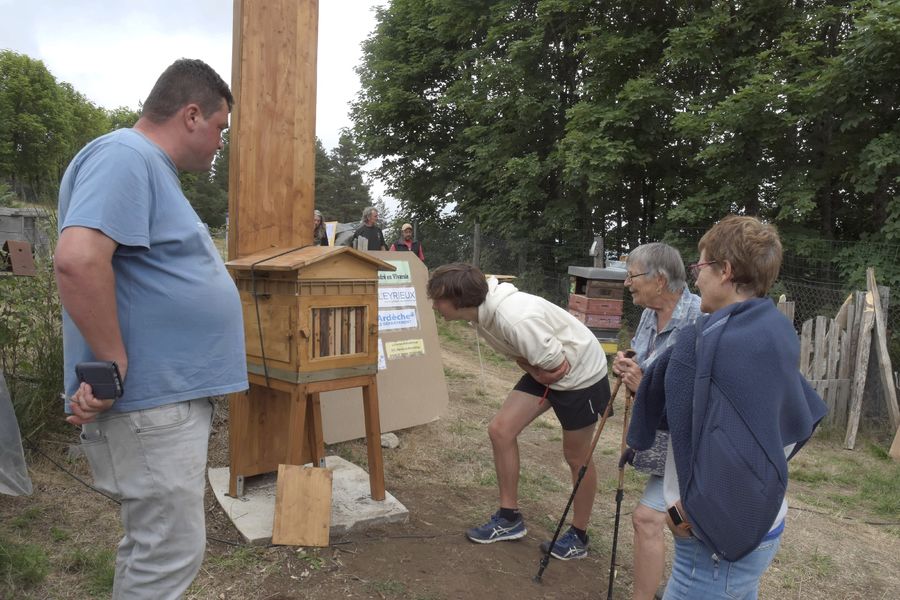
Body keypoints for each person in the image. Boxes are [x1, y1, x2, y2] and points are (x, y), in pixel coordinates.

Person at [54, 59, 249, 600]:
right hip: (150, 402)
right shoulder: (125, 155)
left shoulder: (145, 166)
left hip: (162, 402)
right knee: (167, 552)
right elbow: (78, 259)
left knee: (154, 547)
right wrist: (112, 360)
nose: (218, 143)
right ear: (191, 114)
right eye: (219, 128)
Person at [627, 216, 827, 599]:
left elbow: (681, 426)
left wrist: (689, 512)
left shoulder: (699, 345)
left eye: (700, 267)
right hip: (763, 518)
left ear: (726, 271)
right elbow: (794, 418)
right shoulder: (775, 330)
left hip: (712, 539)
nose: (696, 278)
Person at [427, 263, 610, 560]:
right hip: (544, 367)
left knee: (576, 457)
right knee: (501, 430)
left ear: (460, 300)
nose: (435, 306)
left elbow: (555, 365)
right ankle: (509, 519)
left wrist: (533, 370)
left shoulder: (514, 319)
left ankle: (579, 535)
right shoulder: (482, 314)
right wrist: (531, 368)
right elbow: (530, 360)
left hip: (581, 376)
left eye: (438, 300)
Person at [612, 243, 700, 600]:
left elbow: (693, 391)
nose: (626, 284)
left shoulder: (698, 319)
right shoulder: (651, 310)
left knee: (654, 520)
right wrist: (628, 364)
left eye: (632, 276)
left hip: (690, 444)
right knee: (648, 519)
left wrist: (643, 381)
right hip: (662, 435)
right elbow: (647, 360)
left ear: (659, 280)